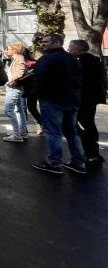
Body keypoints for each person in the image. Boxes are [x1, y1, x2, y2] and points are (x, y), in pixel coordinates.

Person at [31, 34, 86, 175]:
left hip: (52, 100)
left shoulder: (47, 59)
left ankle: (54, 163)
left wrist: (35, 94)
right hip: (71, 99)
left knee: (53, 132)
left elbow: (39, 79)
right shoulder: (72, 59)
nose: (43, 44)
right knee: (71, 132)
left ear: (56, 43)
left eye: (46, 42)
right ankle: (79, 162)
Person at [68, 39, 107, 167]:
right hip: (91, 99)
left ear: (77, 49)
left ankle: (90, 154)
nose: (68, 50)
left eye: (70, 47)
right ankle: (93, 153)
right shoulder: (94, 60)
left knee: (82, 126)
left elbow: (77, 81)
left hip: (82, 99)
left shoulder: (79, 61)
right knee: (89, 124)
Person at [2, 43, 28, 143]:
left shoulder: (19, 59)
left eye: (8, 49)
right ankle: (22, 132)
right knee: (19, 110)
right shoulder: (17, 59)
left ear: (15, 50)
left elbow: (20, 73)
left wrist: (10, 81)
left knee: (8, 110)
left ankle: (17, 135)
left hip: (14, 88)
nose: (6, 51)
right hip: (15, 88)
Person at [24, 32, 45, 135]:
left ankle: (41, 124)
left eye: (41, 39)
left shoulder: (47, 50)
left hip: (44, 81)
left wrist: (35, 63)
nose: (39, 40)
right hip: (31, 81)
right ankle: (40, 122)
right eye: (38, 38)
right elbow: (26, 61)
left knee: (44, 106)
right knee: (31, 106)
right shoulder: (29, 49)